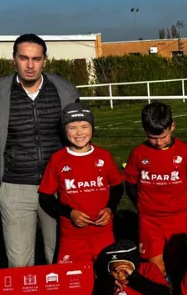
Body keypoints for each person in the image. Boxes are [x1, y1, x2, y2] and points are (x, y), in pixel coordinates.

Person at [0, 34, 81, 267]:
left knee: (61, 259)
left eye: (36, 59)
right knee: (20, 264)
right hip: (14, 187)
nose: (30, 65)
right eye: (24, 58)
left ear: (44, 60)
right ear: (14, 59)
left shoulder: (64, 91)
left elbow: (81, 135)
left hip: (58, 188)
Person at [37, 104, 123, 265]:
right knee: (72, 282)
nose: (79, 133)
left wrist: (110, 208)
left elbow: (117, 187)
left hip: (103, 233)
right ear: (64, 130)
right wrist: (69, 213)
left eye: (85, 126)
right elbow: (45, 197)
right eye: (72, 128)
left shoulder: (104, 156)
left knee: (107, 278)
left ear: (92, 128)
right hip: (72, 235)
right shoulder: (58, 160)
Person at [123, 102, 187, 279]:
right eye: (152, 137)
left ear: (172, 126)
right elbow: (130, 184)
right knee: (155, 267)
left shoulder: (184, 152)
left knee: (179, 261)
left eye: (163, 137)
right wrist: (143, 205)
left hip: (177, 217)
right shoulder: (139, 153)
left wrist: (181, 203)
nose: (158, 142)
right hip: (149, 220)